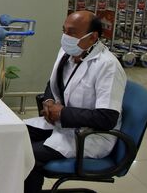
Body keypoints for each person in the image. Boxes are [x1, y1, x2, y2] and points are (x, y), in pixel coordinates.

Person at [24, 11, 127, 193]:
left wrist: (62, 113)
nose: (65, 37)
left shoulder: (108, 66)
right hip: (63, 126)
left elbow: (107, 117)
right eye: (64, 31)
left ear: (93, 37)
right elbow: (53, 83)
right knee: (15, 135)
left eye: (72, 33)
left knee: (25, 154)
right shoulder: (68, 52)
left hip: (88, 136)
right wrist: (48, 101)